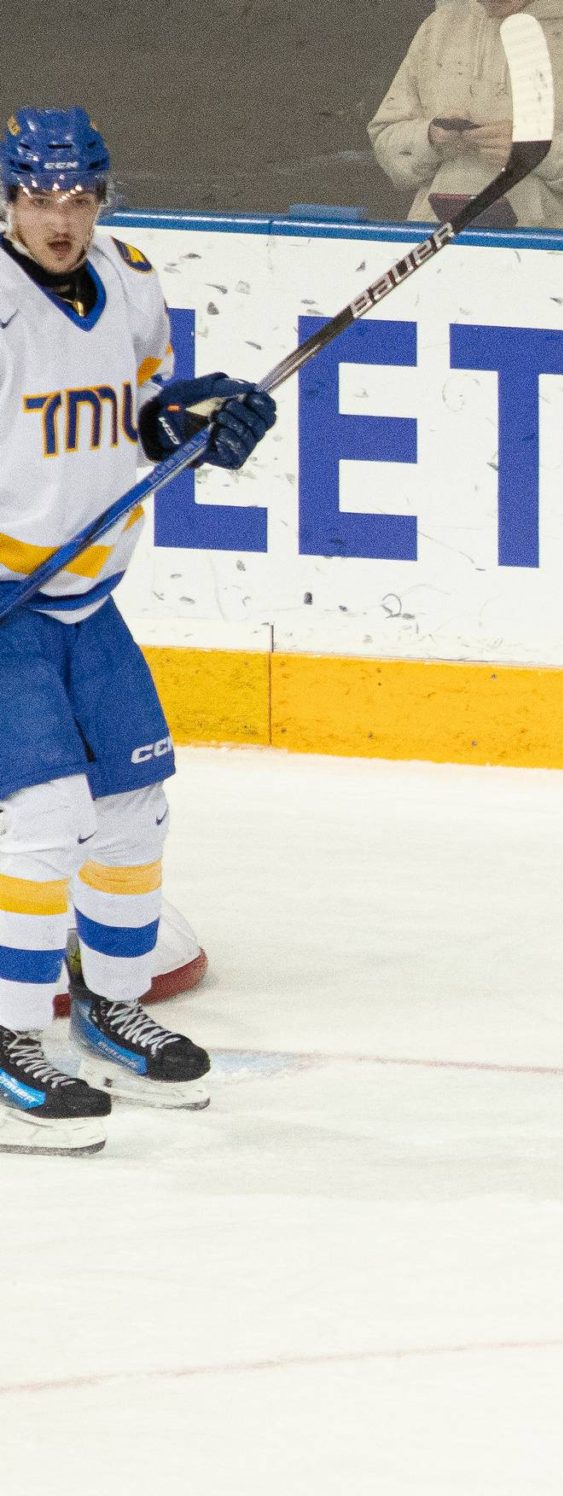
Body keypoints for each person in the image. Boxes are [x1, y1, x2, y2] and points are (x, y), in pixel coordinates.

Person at [0, 109, 276, 1145]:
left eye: (77, 200)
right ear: (9, 199)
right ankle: (10, 1036)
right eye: (39, 199)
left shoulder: (129, 276)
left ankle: (111, 1008)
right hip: (5, 611)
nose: (60, 222)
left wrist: (201, 424)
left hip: (90, 599)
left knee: (134, 807)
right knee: (47, 816)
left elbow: (144, 407)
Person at [370, 0, 563, 233]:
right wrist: (430, 138)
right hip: (438, 252)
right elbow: (385, 138)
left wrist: (542, 153)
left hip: (551, 260)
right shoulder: (439, 27)